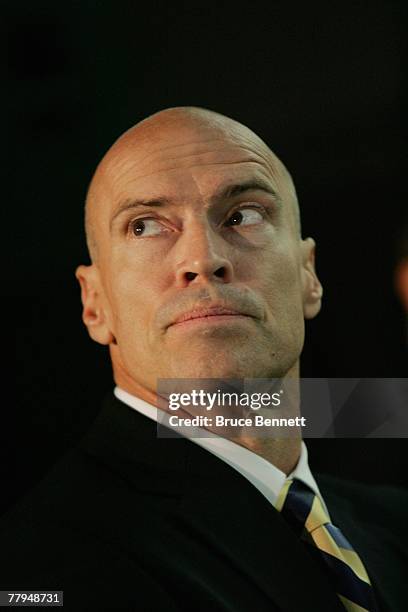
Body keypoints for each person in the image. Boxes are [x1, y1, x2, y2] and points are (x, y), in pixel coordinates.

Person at [1, 107, 407, 611]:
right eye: (145, 226)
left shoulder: (394, 524)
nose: (202, 259)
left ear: (309, 275)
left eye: (244, 215)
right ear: (94, 302)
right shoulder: (41, 566)